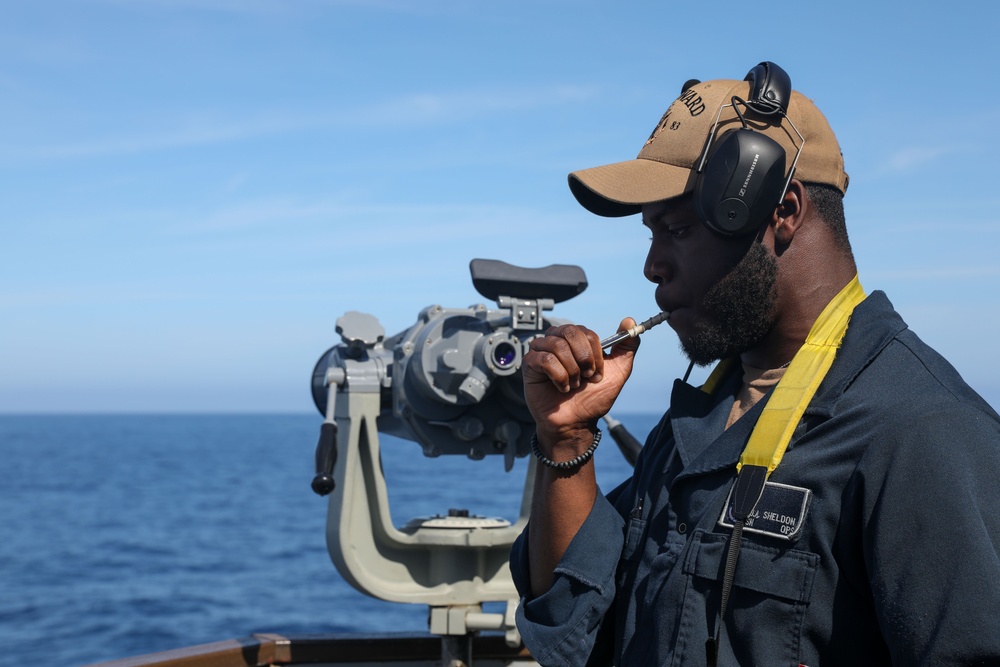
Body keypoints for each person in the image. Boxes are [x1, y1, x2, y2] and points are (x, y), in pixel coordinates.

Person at [509, 62, 1000, 666]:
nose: (652, 266)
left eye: (678, 229)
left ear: (782, 210)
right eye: (651, 235)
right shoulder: (700, 423)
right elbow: (575, 623)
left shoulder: (922, 433)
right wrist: (565, 436)